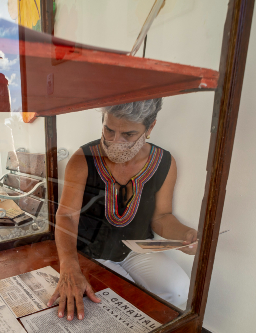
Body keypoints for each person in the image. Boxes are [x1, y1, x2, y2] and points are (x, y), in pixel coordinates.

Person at [49, 98, 197, 320]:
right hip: (91, 252)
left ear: (150, 128)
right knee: (105, 303)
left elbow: (162, 217)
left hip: (136, 249)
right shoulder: (83, 159)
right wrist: (69, 266)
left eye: (128, 134)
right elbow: (66, 216)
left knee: (179, 289)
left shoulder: (164, 162)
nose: (114, 141)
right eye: (109, 130)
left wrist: (186, 235)